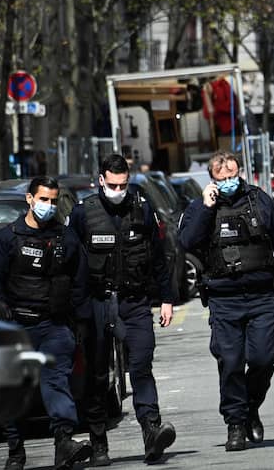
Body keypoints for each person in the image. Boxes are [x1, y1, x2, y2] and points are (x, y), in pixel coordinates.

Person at [178, 151, 274, 452]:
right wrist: (207, 208)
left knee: (263, 359)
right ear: (211, 180)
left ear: (241, 173)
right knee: (231, 363)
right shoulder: (200, 207)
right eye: (221, 179)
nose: (227, 182)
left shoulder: (259, 200)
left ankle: (250, 407)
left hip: (260, 295)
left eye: (232, 176)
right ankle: (235, 424)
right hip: (223, 299)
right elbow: (185, 243)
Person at [69, 154, 177, 465]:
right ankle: (99, 441)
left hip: (135, 302)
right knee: (98, 375)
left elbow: (158, 258)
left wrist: (167, 298)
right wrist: (75, 310)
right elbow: (72, 264)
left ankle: (151, 431)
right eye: (112, 184)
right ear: (100, 179)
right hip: (98, 303)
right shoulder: (82, 214)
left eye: (123, 184)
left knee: (141, 364)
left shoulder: (141, 208)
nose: (118, 189)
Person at [0, 177, 92, 470]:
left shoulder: (66, 238)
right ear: (30, 199)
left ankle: (64, 443)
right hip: (16, 325)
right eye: (44, 199)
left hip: (54, 325)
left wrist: (80, 322)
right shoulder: (7, 237)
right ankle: (16, 451)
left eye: (54, 201)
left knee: (56, 382)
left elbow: (81, 283)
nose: (49, 206)